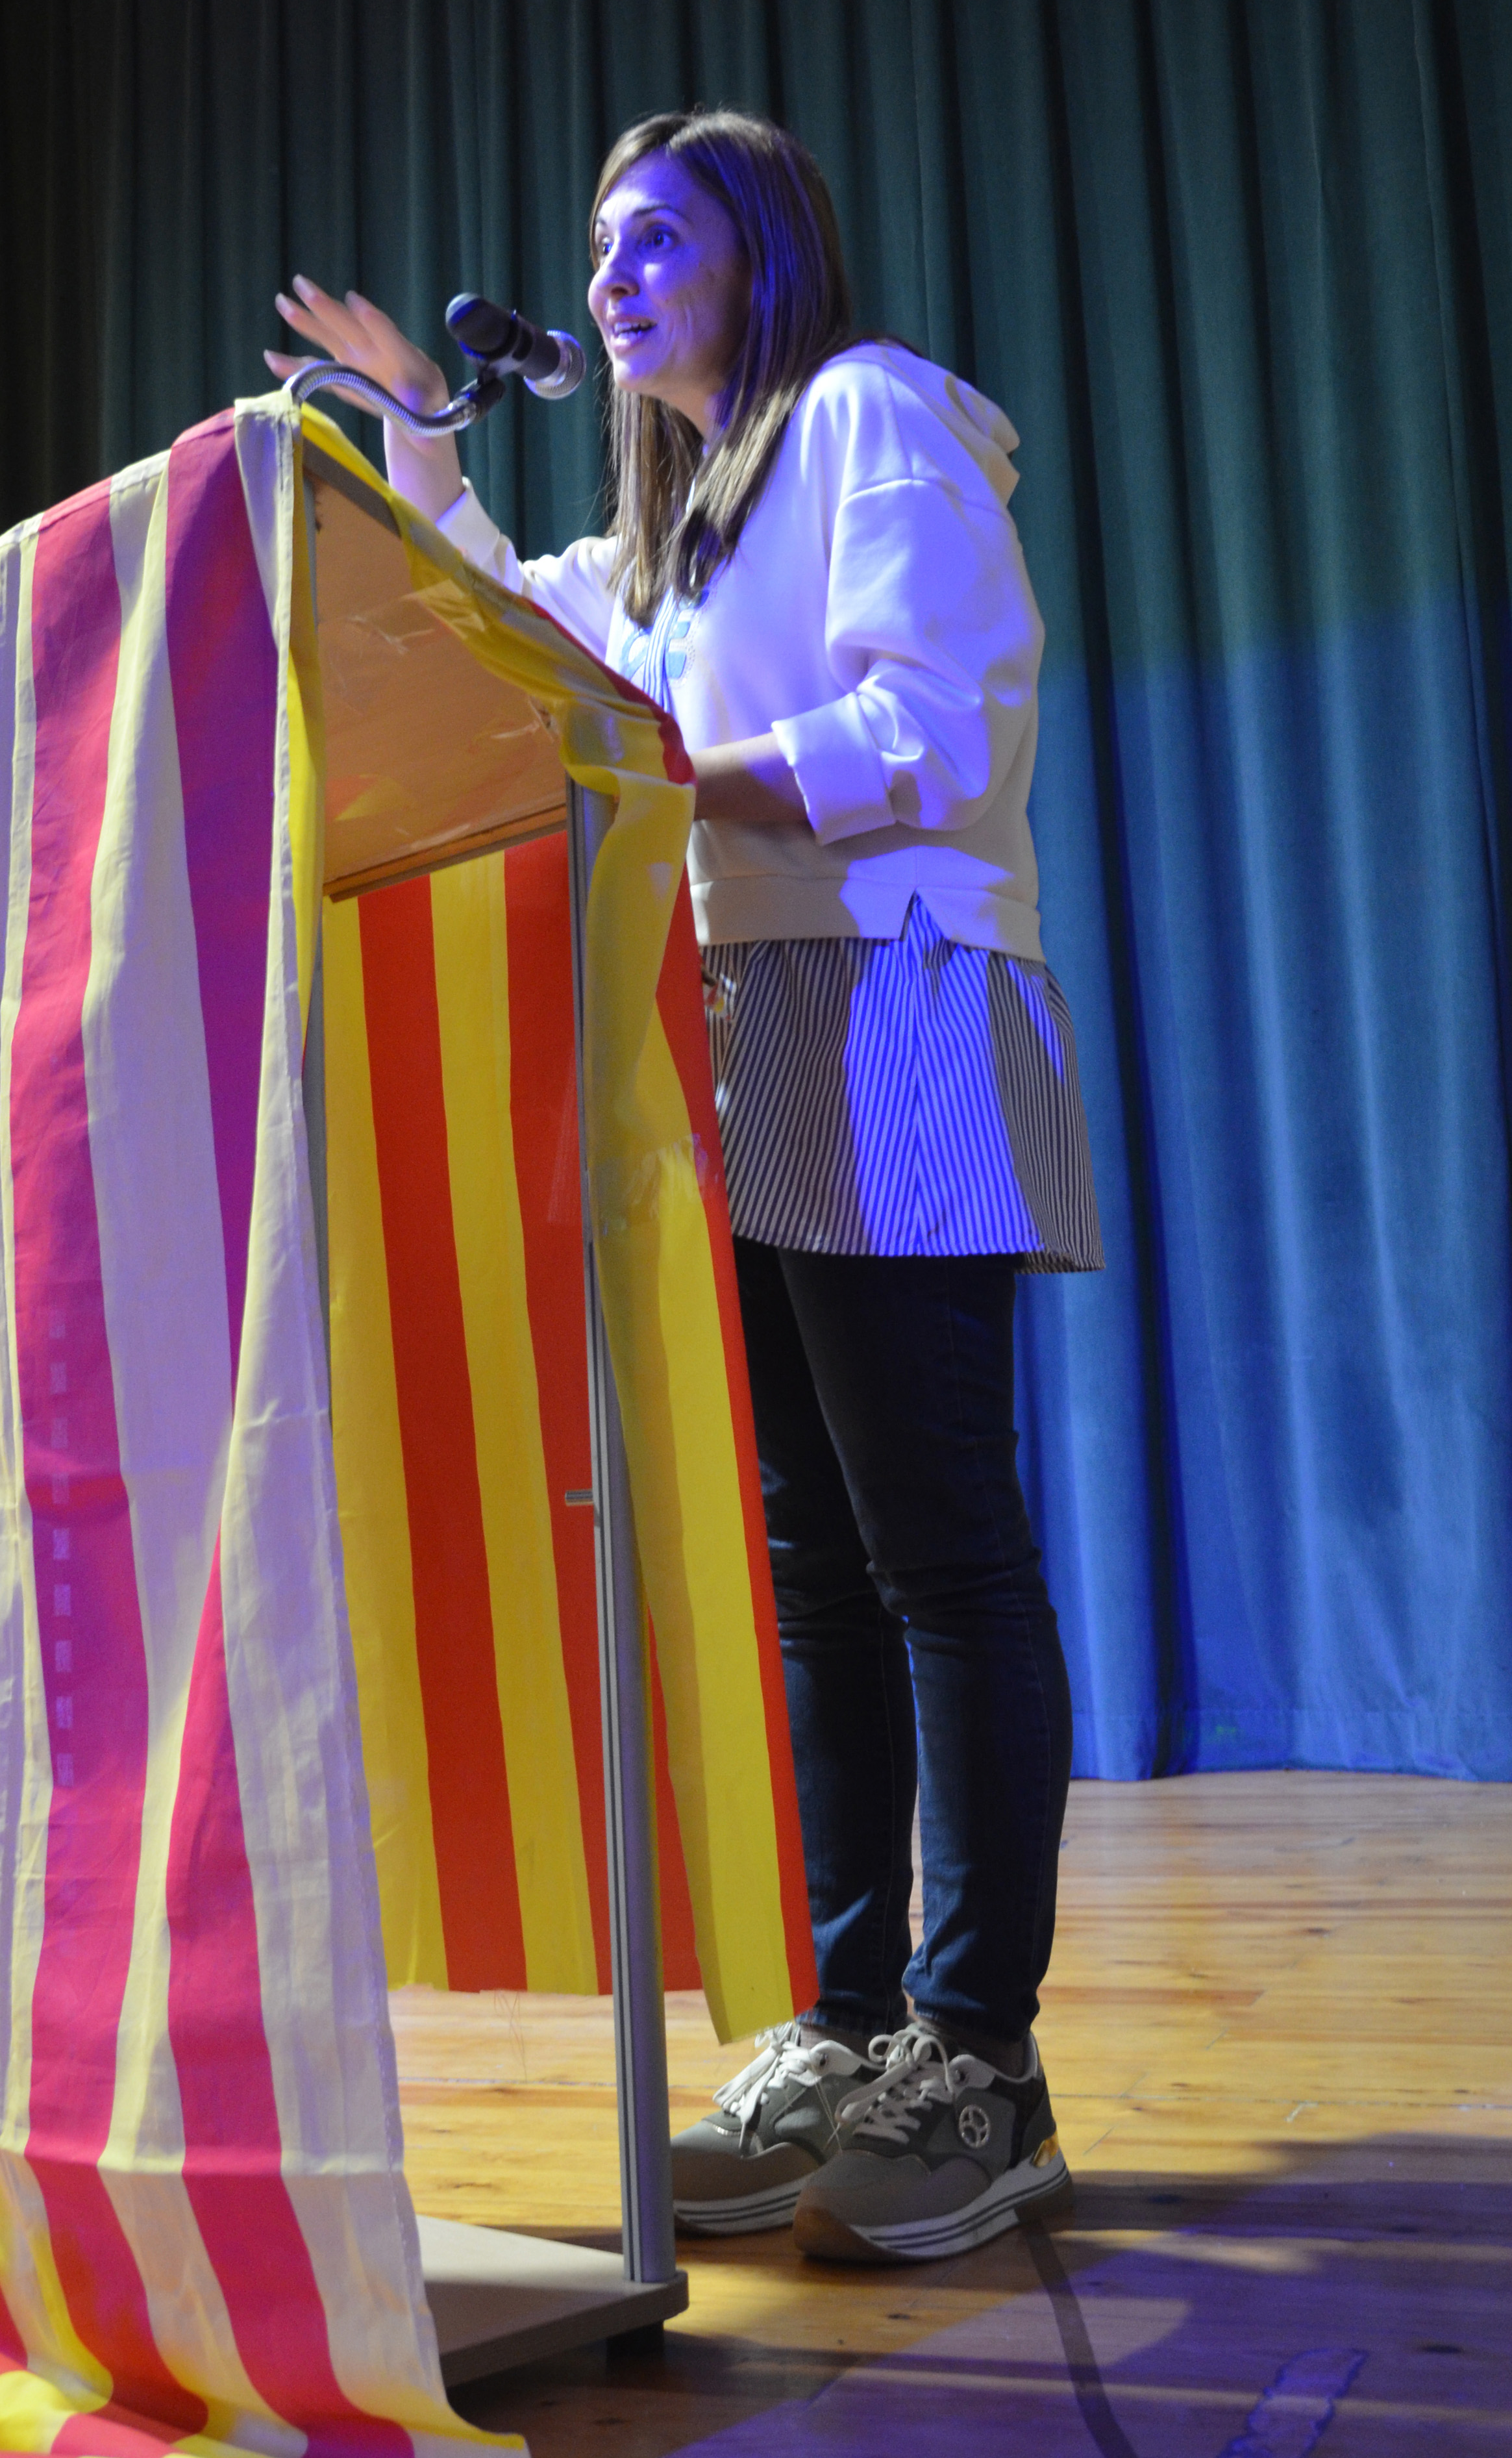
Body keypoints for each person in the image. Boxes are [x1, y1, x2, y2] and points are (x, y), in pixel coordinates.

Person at [272, 110, 1101, 2264]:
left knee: (942, 1544)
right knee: (813, 1560)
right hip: (734, 1022)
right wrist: (421, 437)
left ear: (767, 252)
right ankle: (846, 2018)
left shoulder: (870, 412)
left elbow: (935, 726)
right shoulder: (671, 536)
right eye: (596, 244)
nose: (614, 273)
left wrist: (666, 779)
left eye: (657, 234)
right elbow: (515, 642)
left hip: (901, 997)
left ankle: (981, 2056)